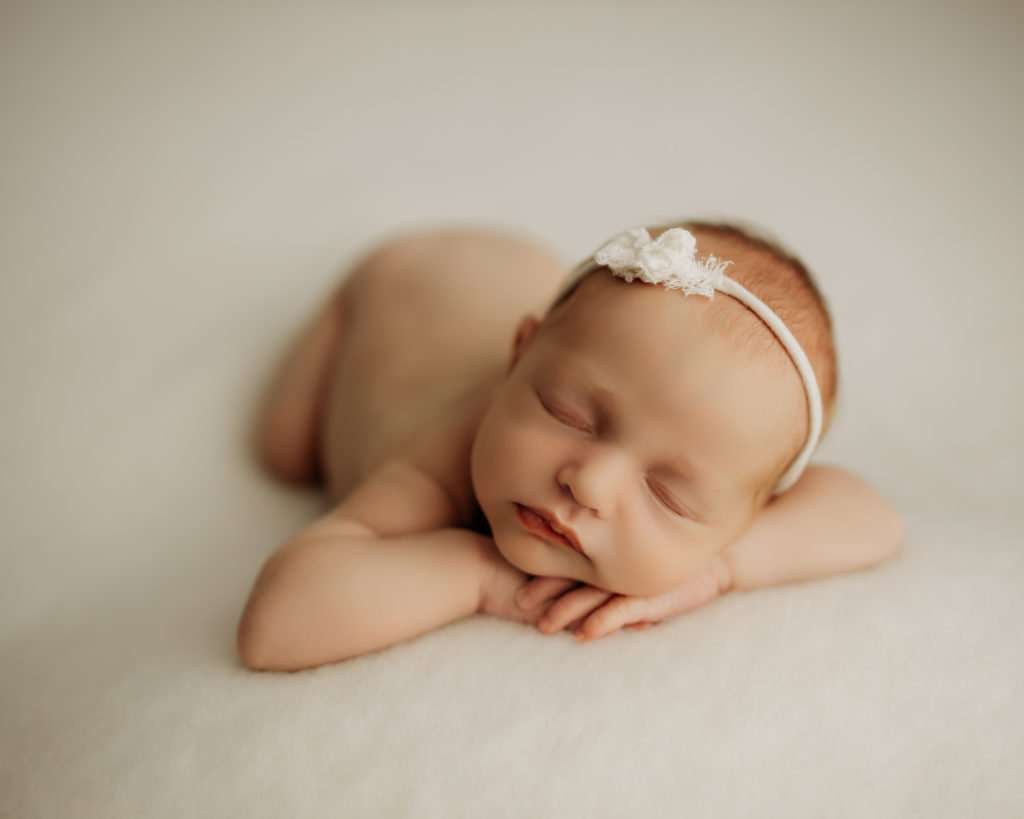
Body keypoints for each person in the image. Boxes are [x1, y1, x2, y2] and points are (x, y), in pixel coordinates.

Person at [236, 219, 905, 672]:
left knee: (610, 342)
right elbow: (275, 623)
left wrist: (720, 568)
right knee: (283, 451)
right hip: (406, 280)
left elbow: (872, 516)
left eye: (669, 495)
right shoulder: (441, 457)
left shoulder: (722, 484)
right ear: (519, 356)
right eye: (568, 413)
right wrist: (479, 574)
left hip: (519, 281)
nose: (589, 483)